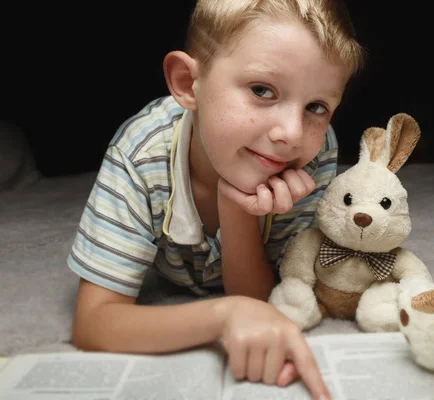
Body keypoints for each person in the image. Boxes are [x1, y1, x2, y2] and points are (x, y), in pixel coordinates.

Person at [67, 1, 364, 399]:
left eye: (316, 107)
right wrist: (222, 317)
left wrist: (236, 209)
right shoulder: (140, 154)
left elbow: (262, 305)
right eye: (262, 90)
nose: (291, 133)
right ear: (189, 83)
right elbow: (94, 323)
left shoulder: (313, 155)